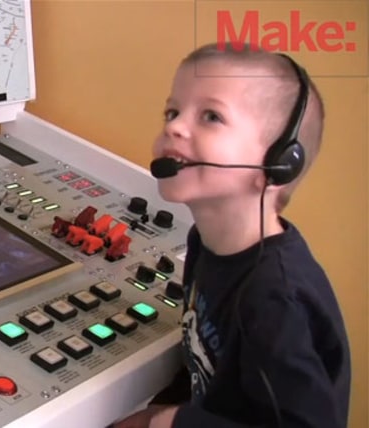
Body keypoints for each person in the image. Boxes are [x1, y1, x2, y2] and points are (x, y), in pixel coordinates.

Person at [113, 43, 351, 428]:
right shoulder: (203, 243)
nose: (173, 126)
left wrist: (168, 423)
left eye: (211, 116)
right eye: (172, 111)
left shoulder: (275, 297)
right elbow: (207, 362)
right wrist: (163, 410)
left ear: (280, 164)